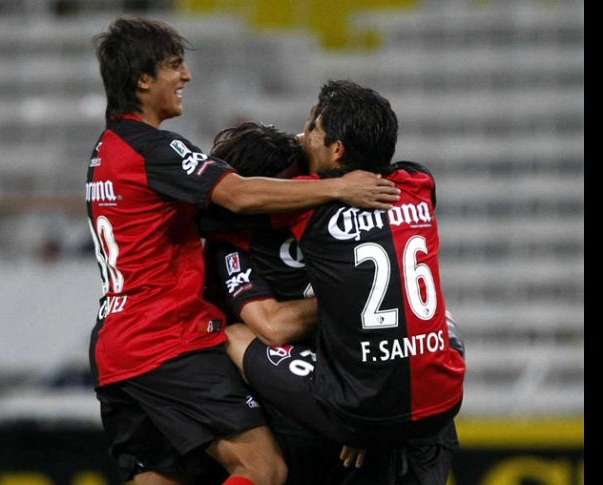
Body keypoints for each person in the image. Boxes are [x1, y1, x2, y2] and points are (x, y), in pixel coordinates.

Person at [85, 17, 401, 485]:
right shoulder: (151, 149)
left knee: (166, 475)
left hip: (117, 346)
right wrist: (338, 191)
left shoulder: (104, 153)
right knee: (264, 468)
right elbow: (237, 194)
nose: (186, 76)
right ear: (142, 79)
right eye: (174, 65)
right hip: (167, 340)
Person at [224, 80, 466, 484]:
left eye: (313, 128)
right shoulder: (419, 184)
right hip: (444, 401)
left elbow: (237, 199)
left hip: (364, 409)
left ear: (337, 150)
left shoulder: (308, 206)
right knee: (445, 320)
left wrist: (360, 422)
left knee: (234, 335)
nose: (303, 136)